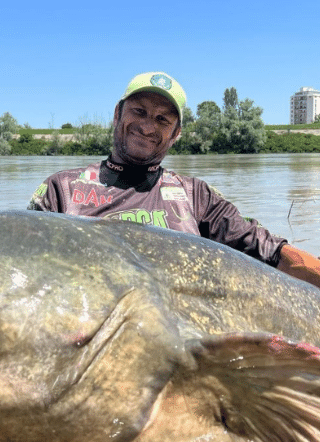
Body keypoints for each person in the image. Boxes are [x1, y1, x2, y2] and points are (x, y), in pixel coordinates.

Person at [28, 71, 320, 289]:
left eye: (162, 120)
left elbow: (271, 253)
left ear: (176, 133)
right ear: (117, 114)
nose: (147, 126)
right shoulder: (61, 190)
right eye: (139, 111)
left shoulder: (196, 196)